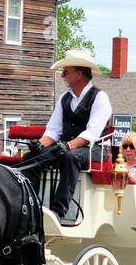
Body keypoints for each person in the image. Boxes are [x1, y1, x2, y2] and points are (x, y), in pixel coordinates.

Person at [21, 48, 113, 217]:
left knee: (70, 157)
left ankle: (58, 211)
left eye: (65, 71)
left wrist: (67, 146)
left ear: (79, 73)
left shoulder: (100, 98)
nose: (62, 75)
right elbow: (54, 130)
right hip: (68, 146)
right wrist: (40, 144)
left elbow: (92, 133)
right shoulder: (65, 98)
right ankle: (30, 206)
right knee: (30, 159)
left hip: (96, 149)